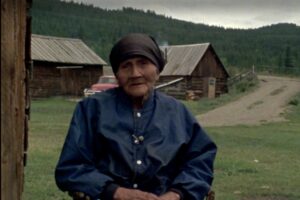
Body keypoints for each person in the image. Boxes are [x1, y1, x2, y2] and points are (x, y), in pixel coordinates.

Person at [55, 33, 217, 200]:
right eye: (126, 66)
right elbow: (70, 168)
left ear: (157, 70)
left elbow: (200, 162)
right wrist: (116, 192)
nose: (135, 73)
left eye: (143, 63)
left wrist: (176, 194)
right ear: (117, 74)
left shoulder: (178, 113)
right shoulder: (91, 109)